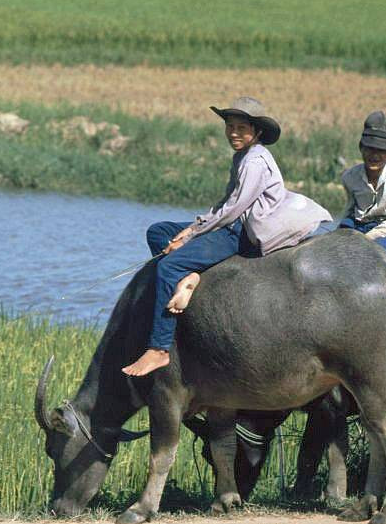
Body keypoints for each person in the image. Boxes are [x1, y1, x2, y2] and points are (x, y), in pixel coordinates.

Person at [122, 97, 331, 376]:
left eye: (241, 128)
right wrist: (192, 227)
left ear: (256, 132)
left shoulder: (255, 161)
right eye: (230, 126)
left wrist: (191, 234)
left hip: (244, 231)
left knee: (168, 264)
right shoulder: (242, 156)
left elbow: (233, 211)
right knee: (159, 232)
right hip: (231, 222)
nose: (233, 133)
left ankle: (159, 349)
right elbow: (225, 202)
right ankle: (191, 276)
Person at [338, 111, 386, 256]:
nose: (375, 156)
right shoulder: (350, 176)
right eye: (370, 149)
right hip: (358, 226)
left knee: (371, 258)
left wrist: (366, 239)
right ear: (361, 148)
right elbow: (350, 211)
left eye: (382, 151)